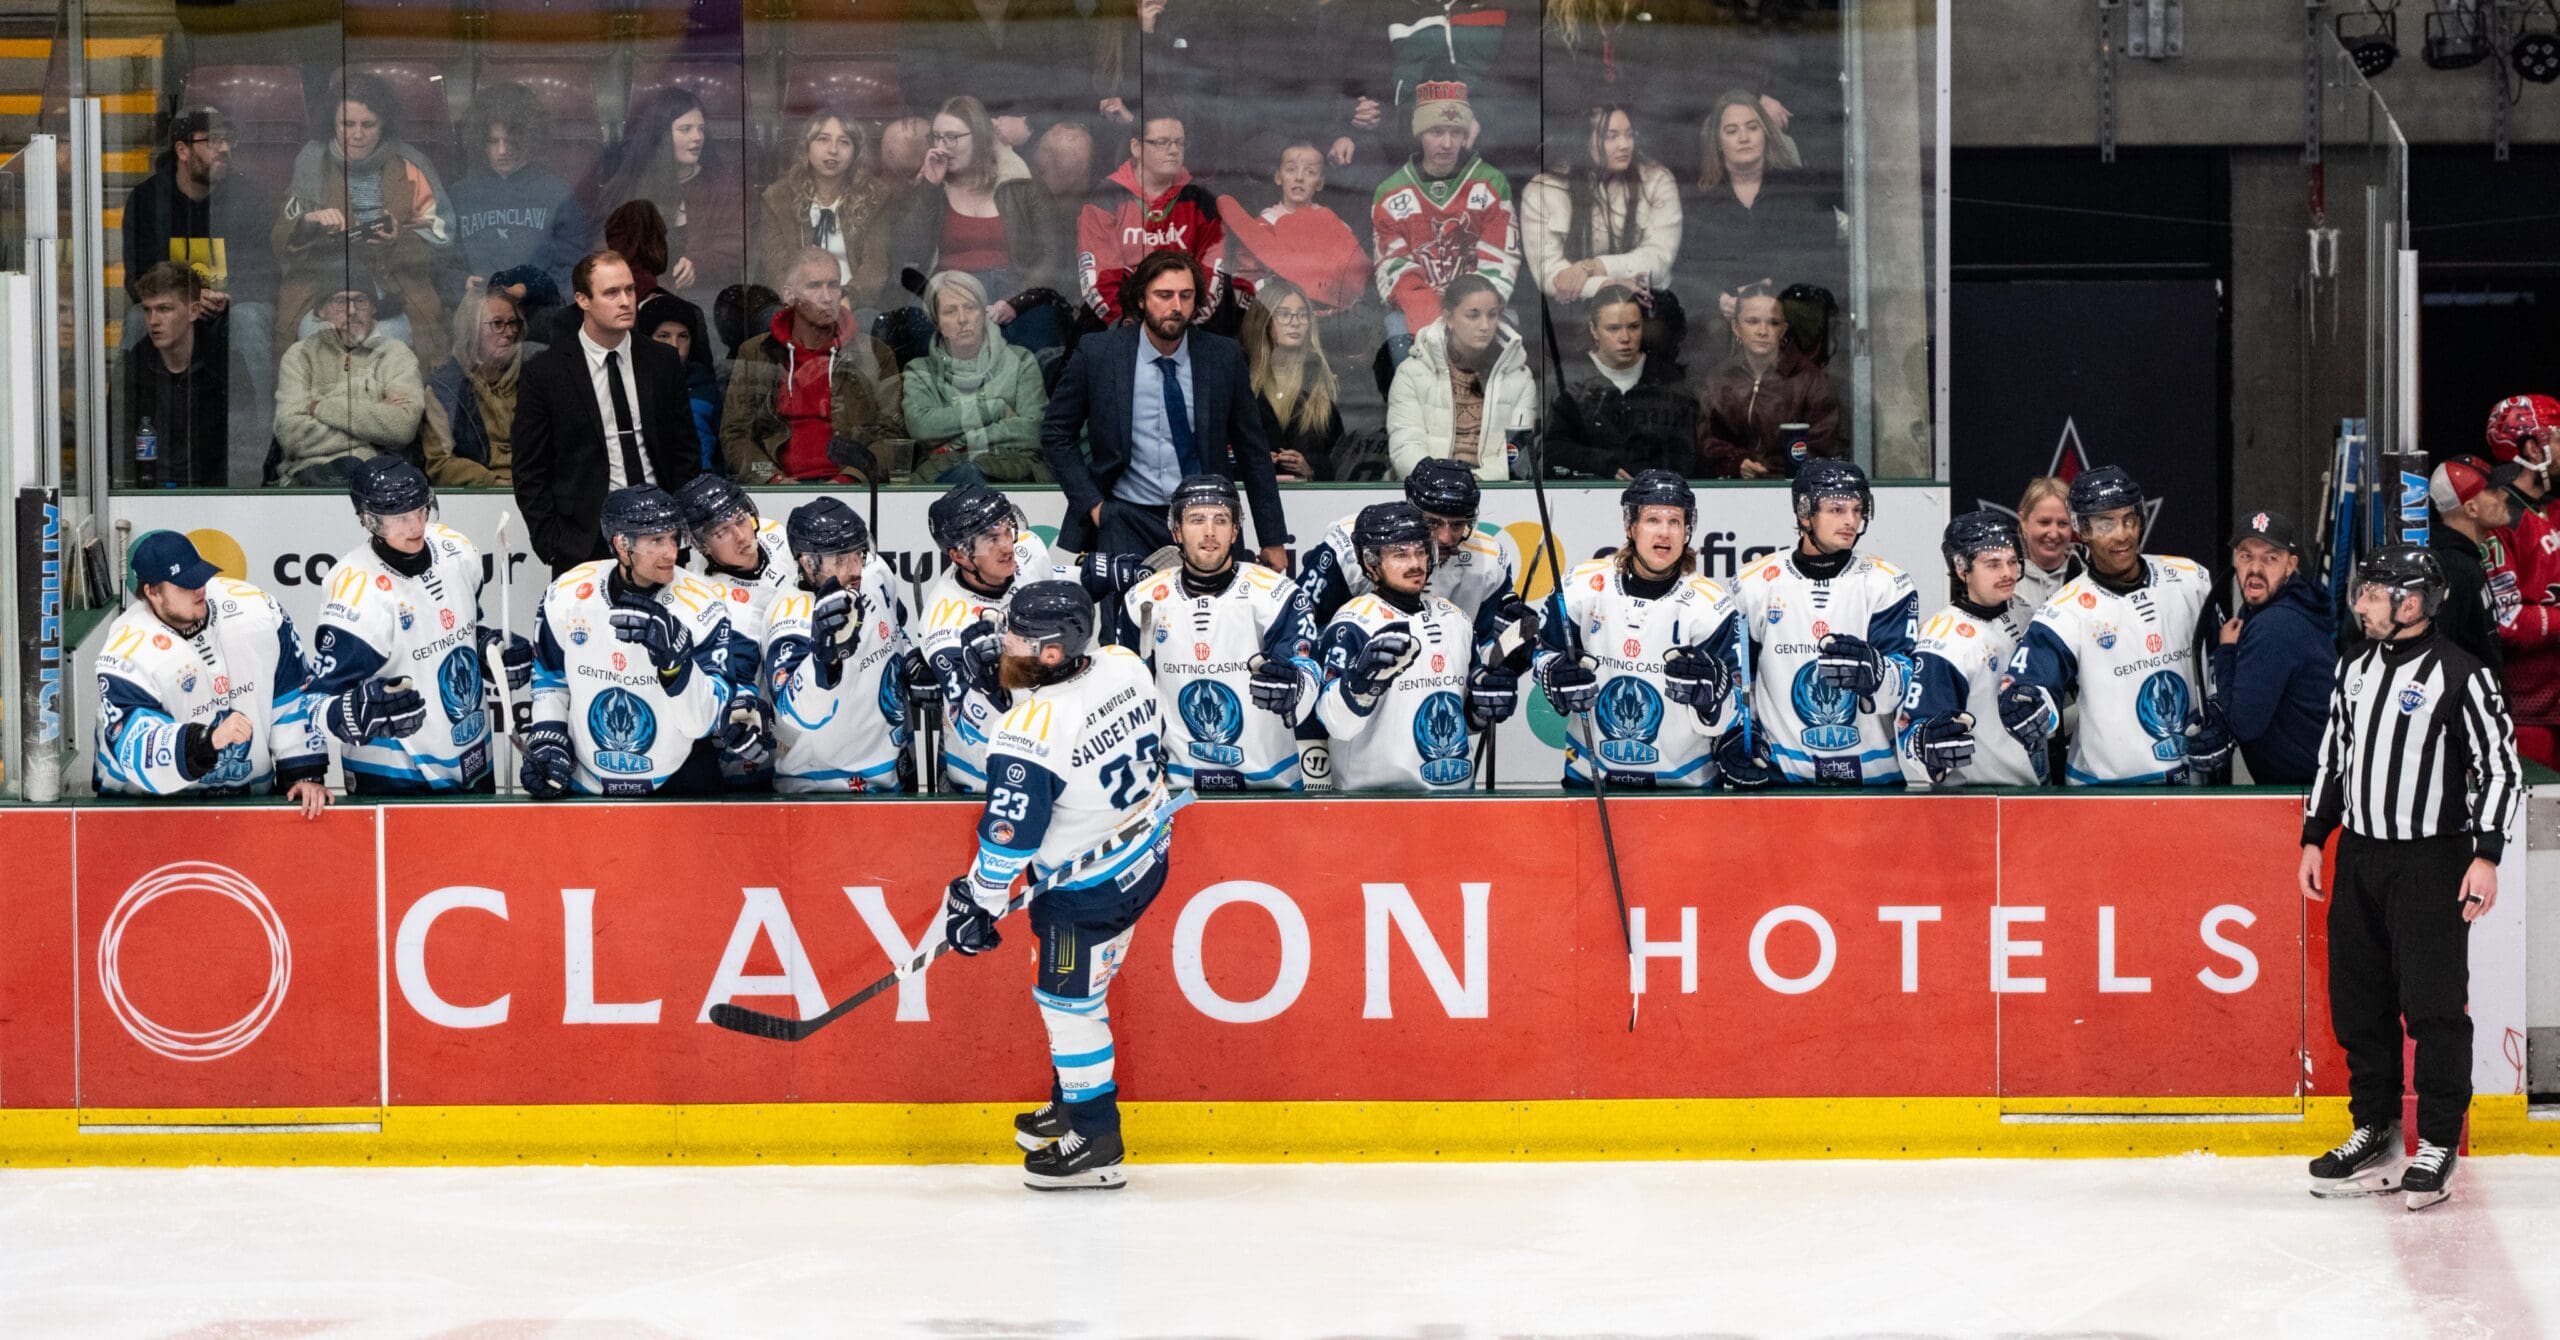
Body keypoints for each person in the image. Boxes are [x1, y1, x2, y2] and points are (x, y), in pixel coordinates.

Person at [2301, 542, 2522, 1212]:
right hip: (2360, 856)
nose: (2363, 604)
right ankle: (2375, 1127)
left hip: (2431, 862)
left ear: (2414, 602)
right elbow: (2333, 756)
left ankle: (2439, 1139)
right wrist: (2315, 834)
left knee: (2433, 1006)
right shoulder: (2354, 667)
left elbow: (2501, 769)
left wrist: (2487, 854)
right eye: (2364, 592)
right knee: (2358, 1002)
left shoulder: (2462, 674)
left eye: (2376, 593)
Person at [940, 578, 1180, 1190]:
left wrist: (977, 901)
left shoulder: (1030, 732)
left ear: (1051, 653)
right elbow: (1070, 728)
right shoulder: (1122, 663)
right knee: (1076, 994)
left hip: (1086, 894)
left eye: (1016, 639)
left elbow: (1010, 839)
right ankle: (1074, 1097)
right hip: (1146, 852)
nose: (1004, 643)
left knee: (1069, 1007)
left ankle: (1096, 1139)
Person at [1040, 250, 1290, 564]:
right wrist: (1094, 505)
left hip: (1206, 516)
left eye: (1186, 296)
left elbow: (1252, 451)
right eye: (1164, 295)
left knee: (1213, 598)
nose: (1176, 306)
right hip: (1125, 517)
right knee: (1127, 599)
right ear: (1141, 300)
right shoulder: (1099, 354)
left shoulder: (1223, 357)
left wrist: (1272, 538)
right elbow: (1056, 433)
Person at [520, 485, 763, 798]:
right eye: (656, 541)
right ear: (622, 545)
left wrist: (677, 667)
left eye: (673, 538)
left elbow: (702, 723)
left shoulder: (704, 605)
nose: (671, 552)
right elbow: (550, 679)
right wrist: (549, 736)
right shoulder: (567, 593)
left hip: (678, 777)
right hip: (588, 779)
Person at [305, 458, 530, 794]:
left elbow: (463, 630)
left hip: (473, 755)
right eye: (399, 517)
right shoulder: (356, 593)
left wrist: (488, 650)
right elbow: (313, 705)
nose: (416, 525)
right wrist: (352, 713)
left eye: (421, 510)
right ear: (370, 520)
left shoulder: (456, 551)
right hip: (394, 775)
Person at [2000, 465, 2232, 786]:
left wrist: (2221, 714)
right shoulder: (2065, 610)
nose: (2122, 534)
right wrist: (2025, 702)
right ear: (2083, 529)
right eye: (2106, 524)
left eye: (2129, 520)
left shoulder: (2190, 579)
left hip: (2189, 785)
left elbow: (2225, 659)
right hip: (2104, 791)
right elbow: (2031, 681)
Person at [93, 530, 329, 815]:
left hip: (249, 803)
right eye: (184, 583)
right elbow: (137, 746)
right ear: (152, 592)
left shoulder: (257, 612)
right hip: (142, 811)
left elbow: (291, 696)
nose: (199, 588)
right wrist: (209, 740)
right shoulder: (126, 650)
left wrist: (303, 774)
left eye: (199, 575)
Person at [1533, 471, 1742, 788]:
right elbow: (1543, 653)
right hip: (1592, 781)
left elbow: (1735, 707)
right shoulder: (1582, 586)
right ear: (1630, 527)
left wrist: (1715, 692)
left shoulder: (1711, 606)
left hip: (1684, 787)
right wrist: (1554, 672)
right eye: (1652, 520)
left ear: (1687, 530)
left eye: (1675, 521)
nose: (1665, 532)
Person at [1121, 475, 1320, 791]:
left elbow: (1304, 676)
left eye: (1221, 520)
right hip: (1178, 788)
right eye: (1196, 520)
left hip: (1269, 787)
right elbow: (1132, 694)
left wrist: (1295, 687)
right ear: (1176, 531)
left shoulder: (1277, 595)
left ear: (1235, 531)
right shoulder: (1143, 600)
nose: (1210, 531)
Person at [1726, 460, 1917, 787]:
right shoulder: (1753, 584)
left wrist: (1878, 673)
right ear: (1804, 512)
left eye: (1857, 510)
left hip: (1874, 782)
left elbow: (1905, 685)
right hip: (1782, 781)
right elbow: (1739, 683)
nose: (1851, 520)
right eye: (1837, 509)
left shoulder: (1888, 583)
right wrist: (1737, 737)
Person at [512, 251, 703, 574]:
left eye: (629, 290)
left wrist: (680, 522)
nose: (626, 301)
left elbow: (684, 450)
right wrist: (553, 543)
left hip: (661, 531)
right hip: (584, 541)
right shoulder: (546, 372)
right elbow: (529, 469)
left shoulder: (662, 361)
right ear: (582, 300)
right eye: (611, 293)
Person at [1313, 501, 1518, 791]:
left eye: (1421, 551)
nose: (1415, 564)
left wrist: (1486, 705)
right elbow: (1336, 725)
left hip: (1456, 798)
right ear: (1371, 562)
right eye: (1400, 554)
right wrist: (1359, 684)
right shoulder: (1353, 623)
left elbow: (1466, 720)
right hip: (1375, 802)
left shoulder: (1455, 619)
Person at [123, 105, 280, 472]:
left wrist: (228, 296)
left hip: (233, 306)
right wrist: (186, 300)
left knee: (249, 321)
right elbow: (138, 276)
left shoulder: (251, 197)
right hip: (176, 308)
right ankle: (130, 448)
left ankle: (261, 454)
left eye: (228, 140)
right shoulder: (147, 200)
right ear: (182, 150)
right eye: (213, 141)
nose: (224, 148)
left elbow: (264, 271)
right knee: (135, 321)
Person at [272, 73, 453, 371]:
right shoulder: (311, 165)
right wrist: (308, 222)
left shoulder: (411, 166)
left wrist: (399, 240)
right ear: (333, 123)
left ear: (384, 125)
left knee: (388, 340)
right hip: (324, 289)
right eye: (347, 124)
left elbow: (442, 240)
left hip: (394, 291)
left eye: (368, 125)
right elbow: (279, 241)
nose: (357, 135)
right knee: (321, 340)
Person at [892, 95, 1073, 355]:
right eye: (937, 138)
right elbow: (908, 250)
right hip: (949, 289)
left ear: (978, 137)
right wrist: (929, 188)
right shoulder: (931, 184)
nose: (942, 147)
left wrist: (1016, 301)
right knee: (921, 330)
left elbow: (1052, 255)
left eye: (952, 138)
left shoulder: (1021, 182)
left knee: (1040, 331)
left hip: (1014, 287)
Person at [763, 498, 919, 793]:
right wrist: (824, 661)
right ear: (807, 563)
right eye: (840, 560)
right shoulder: (789, 617)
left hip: (893, 769)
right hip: (824, 786)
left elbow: (895, 626)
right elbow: (795, 712)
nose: (855, 568)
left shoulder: (875, 574)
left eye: (859, 553)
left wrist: (911, 659)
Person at [914, 482, 1060, 794]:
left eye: (1007, 530)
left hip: (1047, 751)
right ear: (960, 555)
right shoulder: (946, 625)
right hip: (982, 777)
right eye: (991, 539)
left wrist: (1097, 574)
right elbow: (967, 724)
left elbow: (1051, 581)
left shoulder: (1026, 551)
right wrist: (988, 689)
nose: (1007, 546)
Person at [722, 247, 907, 484]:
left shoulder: (874, 353)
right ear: (789, 296)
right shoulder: (756, 353)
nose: (827, 297)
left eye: (834, 285)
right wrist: (773, 480)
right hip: (779, 489)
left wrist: (849, 480)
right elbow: (736, 434)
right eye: (814, 286)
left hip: (854, 487)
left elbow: (892, 434)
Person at [1896, 510, 2044, 788]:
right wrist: (1926, 744)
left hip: (2033, 790)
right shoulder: (1942, 641)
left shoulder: (2023, 610)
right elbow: (1914, 731)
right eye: (1993, 564)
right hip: (1978, 796)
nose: (2007, 573)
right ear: (1962, 569)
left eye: (2012, 562)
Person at [1674, 88, 1840, 336]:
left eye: (1752, 128)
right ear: (1718, 142)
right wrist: (1719, 299)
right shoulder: (1702, 203)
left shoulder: (1796, 188)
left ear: (1766, 134)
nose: (1744, 138)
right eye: (1732, 131)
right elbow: (1687, 270)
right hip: (1722, 325)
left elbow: (1816, 256)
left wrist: (1770, 286)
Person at [1300, 457, 1518, 641]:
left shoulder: (1490, 560)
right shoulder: (1350, 543)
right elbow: (1300, 629)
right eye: (1433, 522)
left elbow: (1487, 649)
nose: (1445, 538)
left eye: (1457, 525)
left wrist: (1511, 647)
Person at [1370, 82, 1519, 346]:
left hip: (1481, 311)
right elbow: (1393, 268)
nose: (1447, 143)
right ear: (1419, 133)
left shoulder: (1491, 183)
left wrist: (1470, 315)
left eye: (1456, 132)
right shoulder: (1390, 192)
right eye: (1436, 132)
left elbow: (1500, 261)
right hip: (1418, 313)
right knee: (1398, 338)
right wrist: (1435, 318)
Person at [1519, 104, 1680, 328]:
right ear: (1582, 139)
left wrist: (1594, 266)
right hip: (1573, 314)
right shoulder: (1543, 190)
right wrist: (1609, 285)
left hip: (1648, 309)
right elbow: (1549, 273)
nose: (1624, 145)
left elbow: (1659, 258)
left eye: (1629, 135)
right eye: (1610, 136)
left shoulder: (1657, 180)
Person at [585, 87, 744, 305]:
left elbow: (734, 248)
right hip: (636, 302)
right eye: (685, 129)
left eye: (701, 129)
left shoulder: (721, 186)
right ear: (662, 135)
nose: (697, 137)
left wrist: (700, 264)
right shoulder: (628, 186)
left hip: (703, 300)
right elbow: (604, 254)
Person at [1078, 112, 1235, 330]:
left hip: (1185, 321)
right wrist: (1127, 323)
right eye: (1162, 142)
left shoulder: (1201, 200)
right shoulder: (1106, 198)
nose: (1174, 150)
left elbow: (1212, 273)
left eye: (1179, 143)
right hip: (1122, 323)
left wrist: (1181, 321)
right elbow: (1100, 277)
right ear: (1136, 148)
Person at [2210, 509, 2335, 786]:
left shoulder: (2274, 625)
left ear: (2290, 566)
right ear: (2235, 559)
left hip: (2309, 793)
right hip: (2315, 785)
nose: (2255, 569)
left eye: (2270, 558)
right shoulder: (2278, 609)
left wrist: (2226, 652)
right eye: (2246, 556)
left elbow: (2244, 726)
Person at [271, 281, 425, 488]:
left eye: (361, 300)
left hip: (380, 478)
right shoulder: (299, 356)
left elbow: (403, 427)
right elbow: (291, 434)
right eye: (340, 301)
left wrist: (322, 408)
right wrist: (374, 433)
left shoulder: (396, 354)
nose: (352, 310)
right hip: (310, 478)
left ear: (373, 308)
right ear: (321, 310)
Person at [906, 270, 1052, 486]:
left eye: (970, 307)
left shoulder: (1021, 361)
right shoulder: (920, 371)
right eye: (950, 311)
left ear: (983, 314)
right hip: (946, 476)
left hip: (1017, 475)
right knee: (967, 475)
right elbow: (921, 427)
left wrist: (959, 443)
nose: (962, 319)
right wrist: (994, 409)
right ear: (937, 322)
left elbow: (1034, 431)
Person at [1385, 273, 1537, 481]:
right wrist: (1442, 482)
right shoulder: (1412, 372)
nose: (1485, 325)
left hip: (1492, 490)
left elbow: (1517, 458)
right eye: (1473, 315)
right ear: (1449, 318)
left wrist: (1478, 480)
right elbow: (1406, 447)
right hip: (1425, 490)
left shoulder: (1519, 377)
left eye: (1492, 315)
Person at [1542, 284, 1699, 480]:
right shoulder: (1568, 380)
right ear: (1594, 330)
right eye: (1613, 328)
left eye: (1633, 327)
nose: (1625, 338)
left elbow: (1686, 456)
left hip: (1656, 492)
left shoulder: (1669, 381)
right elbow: (1550, 449)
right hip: (1584, 490)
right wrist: (1598, 463)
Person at [449, 84, 582, 304]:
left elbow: (573, 265)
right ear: (481, 141)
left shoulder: (557, 194)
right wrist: (461, 282)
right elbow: (444, 263)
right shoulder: (460, 195)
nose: (502, 150)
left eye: (510, 141)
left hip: (539, 308)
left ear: (529, 139)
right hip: (478, 308)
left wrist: (537, 290)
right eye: (493, 141)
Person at [1217, 141, 1375, 324]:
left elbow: (1355, 276)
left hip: (1329, 319)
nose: (1299, 178)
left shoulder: (1335, 225)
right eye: (1291, 170)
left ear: (1320, 183)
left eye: (1310, 172)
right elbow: (1245, 281)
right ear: (1278, 176)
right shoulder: (1263, 226)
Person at [758, 108, 893, 310]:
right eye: (823, 139)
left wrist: (847, 300)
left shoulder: (875, 196)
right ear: (807, 147)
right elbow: (776, 268)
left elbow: (875, 269)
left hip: (851, 304)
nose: (833, 150)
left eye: (844, 142)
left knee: (868, 320)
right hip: (796, 304)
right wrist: (803, 304)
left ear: (856, 152)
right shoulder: (778, 198)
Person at [118, 262, 237, 488]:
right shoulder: (132, 367)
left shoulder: (225, 366)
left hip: (212, 496)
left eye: (164, 309)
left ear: (193, 311)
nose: (153, 321)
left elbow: (241, 452)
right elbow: (117, 448)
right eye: (147, 310)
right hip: (146, 495)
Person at [1697, 287, 1836, 478]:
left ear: (1783, 330)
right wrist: (1735, 462)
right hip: (1730, 487)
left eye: (1773, 322)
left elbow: (1822, 444)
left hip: (1791, 487)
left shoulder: (1810, 379)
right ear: (1736, 328)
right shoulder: (1720, 378)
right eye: (1752, 321)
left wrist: (1773, 472)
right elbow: (1706, 439)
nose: (1762, 331)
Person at [423, 284, 535, 486]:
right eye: (497, 323)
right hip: (483, 491)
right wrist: (493, 482)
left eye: (513, 323)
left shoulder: (534, 372)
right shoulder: (444, 388)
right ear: (471, 330)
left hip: (536, 485)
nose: (509, 332)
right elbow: (440, 463)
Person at [1240, 279, 1345, 483]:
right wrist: (1253, 462)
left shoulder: (1320, 384)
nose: (1295, 322)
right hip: (1253, 495)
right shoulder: (1241, 381)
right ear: (1264, 321)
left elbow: (1341, 462)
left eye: (1302, 315)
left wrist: (1311, 469)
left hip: (1311, 498)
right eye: (1284, 314)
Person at [2425, 460, 2510, 674]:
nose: (2504, 495)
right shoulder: (2454, 570)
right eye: (2493, 491)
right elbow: (2441, 657)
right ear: (2471, 508)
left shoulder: (2465, 557)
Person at [639, 291, 722, 472]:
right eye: (663, 336)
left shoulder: (706, 385)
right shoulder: (631, 383)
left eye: (683, 336)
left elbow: (722, 446)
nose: (674, 345)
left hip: (703, 478)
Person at [2010, 476, 2083, 617]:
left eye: (2063, 523)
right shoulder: (2005, 577)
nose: (2054, 534)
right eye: (2044, 522)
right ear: (2023, 521)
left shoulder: (2088, 573)